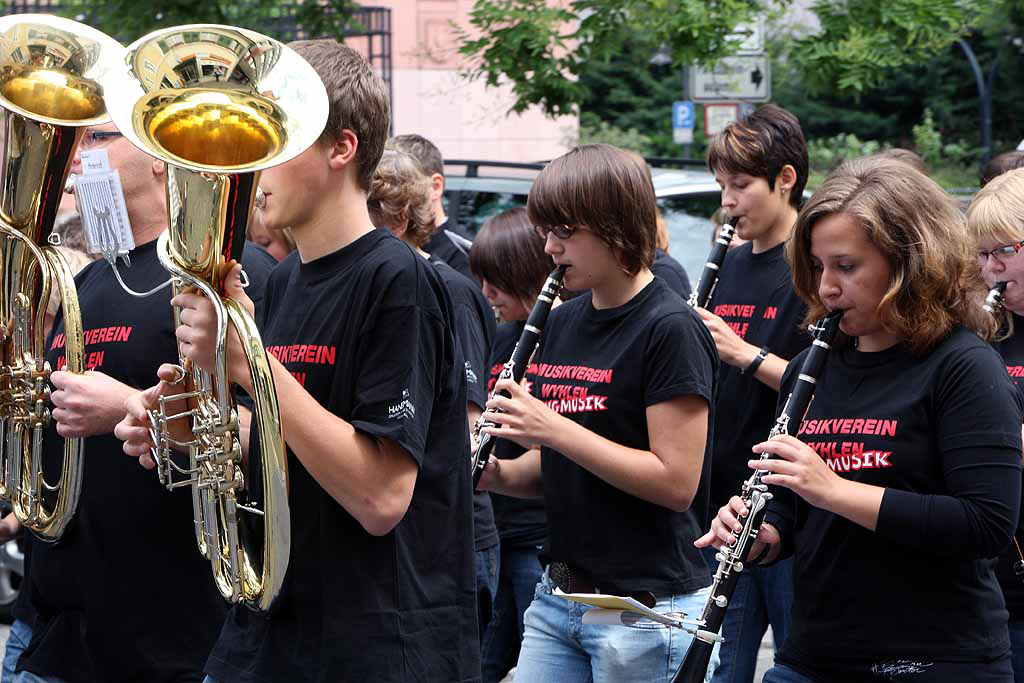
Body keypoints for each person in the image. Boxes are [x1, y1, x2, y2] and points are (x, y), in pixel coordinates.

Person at [116, 40, 479, 682]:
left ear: (341, 149)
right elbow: (292, 446)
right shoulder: (283, 282)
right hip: (274, 630)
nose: (251, 170)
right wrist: (196, 430)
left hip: (374, 645)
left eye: (272, 145)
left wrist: (249, 364)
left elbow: (380, 495)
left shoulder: (400, 280)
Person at [699, 156, 1022, 683]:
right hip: (816, 653)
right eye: (818, 266)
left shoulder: (964, 365)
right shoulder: (812, 365)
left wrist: (832, 489)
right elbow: (790, 507)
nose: (826, 287)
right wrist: (763, 533)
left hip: (934, 658)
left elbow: (985, 525)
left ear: (907, 262)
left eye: (846, 267)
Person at [8, 122, 276, 683]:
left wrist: (126, 406)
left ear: (161, 158)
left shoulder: (223, 274)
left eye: (101, 138)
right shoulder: (90, 282)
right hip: (62, 633)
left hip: (172, 642)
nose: (80, 155)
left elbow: (269, 435)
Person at [477, 143, 719, 681]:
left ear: (615, 226)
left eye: (564, 233)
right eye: (546, 232)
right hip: (560, 594)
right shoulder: (563, 324)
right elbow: (559, 469)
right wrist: (494, 474)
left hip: (645, 607)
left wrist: (554, 429)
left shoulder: (671, 328)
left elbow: (676, 482)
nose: (549, 248)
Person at [695, 103, 811, 683]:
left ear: (785, 179)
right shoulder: (728, 263)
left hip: (791, 504)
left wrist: (744, 354)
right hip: (726, 500)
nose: (728, 201)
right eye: (723, 186)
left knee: (797, 661)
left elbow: (830, 385)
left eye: (740, 185)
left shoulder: (815, 268)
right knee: (721, 668)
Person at [367, 147, 499, 650]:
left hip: (451, 535)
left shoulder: (448, 290)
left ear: (399, 218)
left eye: (368, 214)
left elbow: (467, 429)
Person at [469, 206, 555, 681]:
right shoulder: (505, 339)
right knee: (483, 662)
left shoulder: (563, 336)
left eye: (496, 280)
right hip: (499, 530)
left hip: (540, 538)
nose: (487, 294)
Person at [967, 167, 1024, 683]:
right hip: (990, 577)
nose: (990, 270)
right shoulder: (986, 331)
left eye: (1002, 252)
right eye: (981, 256)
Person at [390, 133, 476, 281]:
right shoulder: (390, 247)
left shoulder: (463, 256)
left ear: (435, 186)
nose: (390, 196)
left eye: (399, 184)